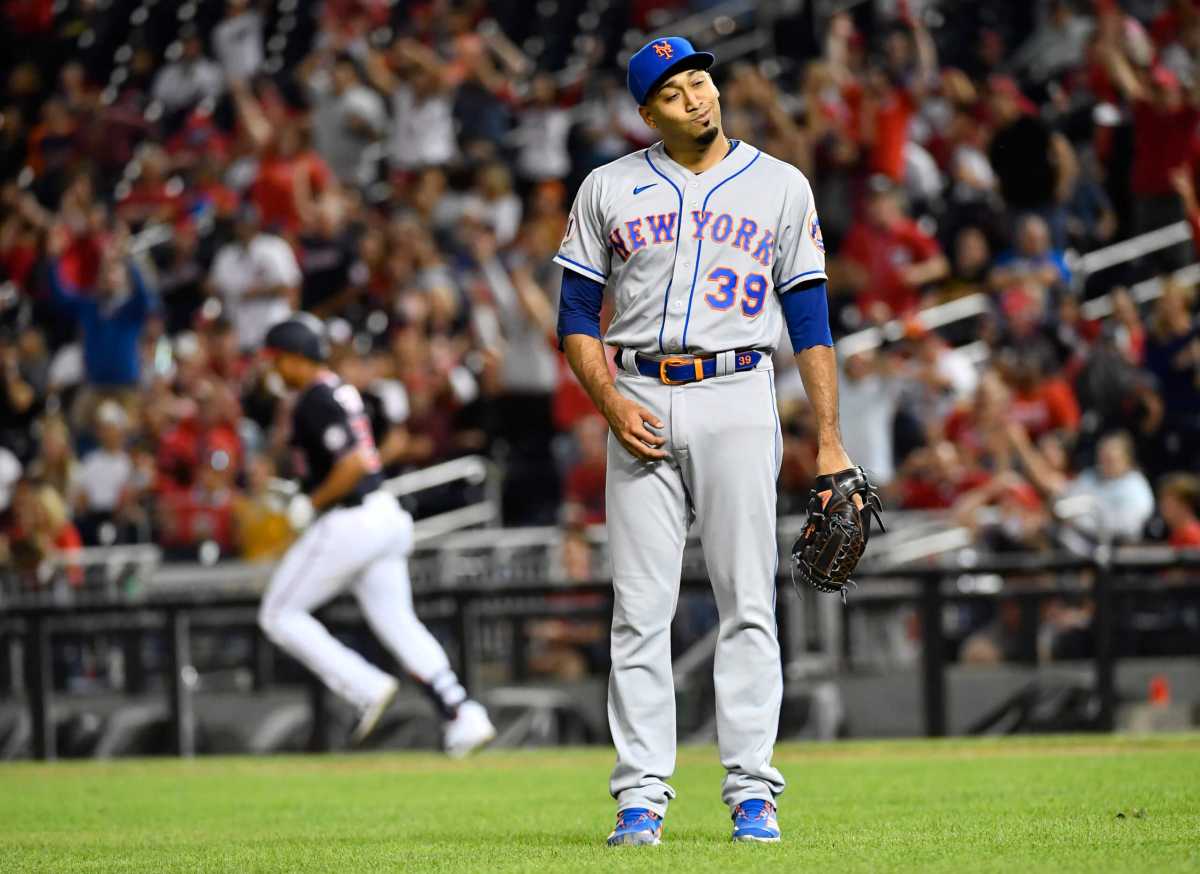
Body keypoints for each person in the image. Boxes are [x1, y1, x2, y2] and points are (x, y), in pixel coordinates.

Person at [556, 37, 859, 845]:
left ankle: (754, 792)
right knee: (638, 610)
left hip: (738, 392)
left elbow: (810, 319)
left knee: (748, 602)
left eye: (701, 81)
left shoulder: (780, 184)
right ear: (647, 112)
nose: (696, 96)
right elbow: (575, 315)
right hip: (640, 394)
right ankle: (639, 799)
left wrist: (830, 439)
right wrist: (610, 404)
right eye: (674, 90)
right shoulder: (608, 187)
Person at [257, 316, 494, 754]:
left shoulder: (314, 398)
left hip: (352, 520)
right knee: (398, 622)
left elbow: (352, 465)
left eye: (277, 360)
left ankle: (365, 686)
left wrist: (311, 502)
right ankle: (463, 713)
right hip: (382, 513)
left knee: (278, 614)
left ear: (294, 357)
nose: (273, 370)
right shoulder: (336, 389)